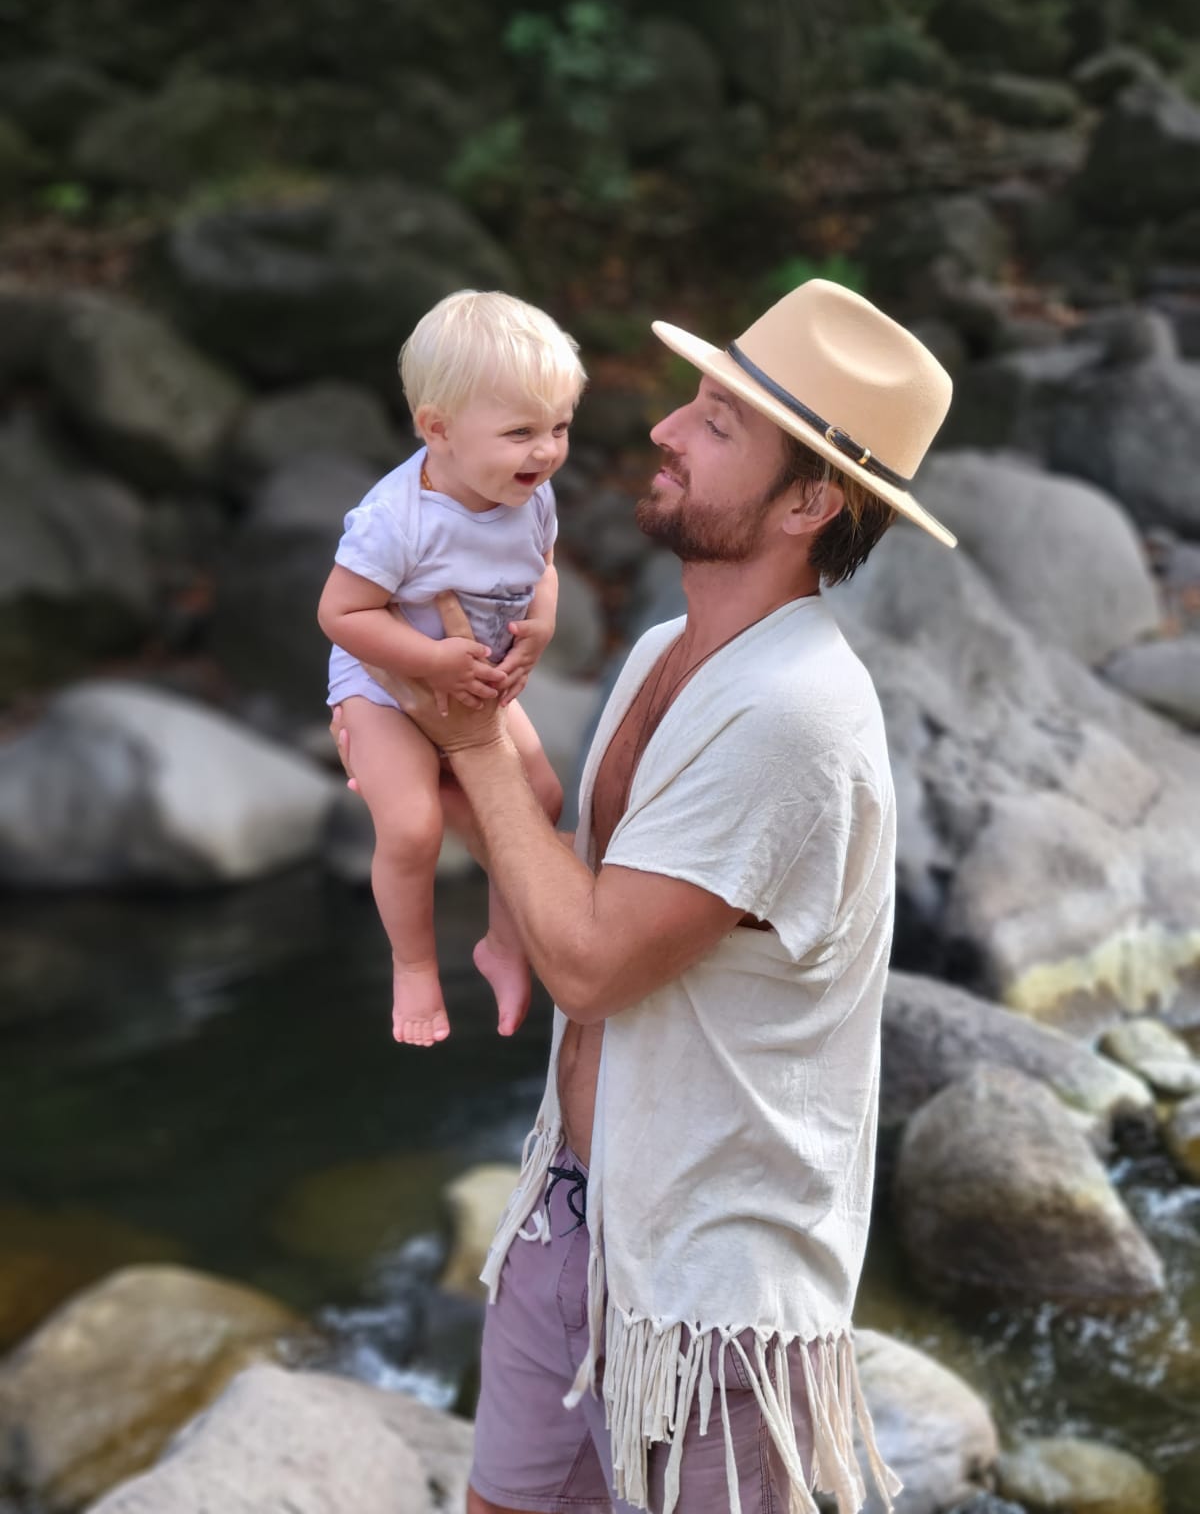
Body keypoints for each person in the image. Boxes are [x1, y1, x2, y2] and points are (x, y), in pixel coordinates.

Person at [335, 279, 956, 1513]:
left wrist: (465, 736)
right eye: (696, 402)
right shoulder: (660, 652)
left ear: (808, 501)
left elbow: (594, 962)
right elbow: (552, 876)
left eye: (717, 424)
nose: (666, 428)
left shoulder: (795, 714)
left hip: (712, 1302)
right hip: (576, 1217)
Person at [318, 290, 586, 1047]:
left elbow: (545, 565)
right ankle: (413, 966)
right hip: (384, 685)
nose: (547, 451)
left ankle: (504, 944)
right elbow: (342, 615)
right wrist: (429, 659)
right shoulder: (396, 517)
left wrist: (542, 619)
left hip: (474, 682)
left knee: (540, 796)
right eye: (521, 432)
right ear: (438, 430)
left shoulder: (528, 494)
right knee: (411, 825)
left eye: (561, 427)